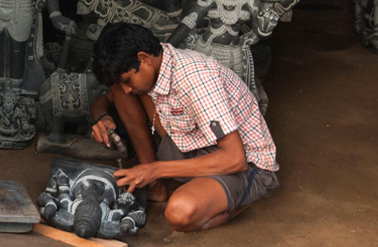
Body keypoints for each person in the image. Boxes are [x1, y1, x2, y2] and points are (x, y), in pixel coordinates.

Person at [89, 22, 279, 232]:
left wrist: (155, 170)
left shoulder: (196, 79)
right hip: (191, 143)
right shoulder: (153, 67)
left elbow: (236, 159)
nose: (127, 89)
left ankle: (240, 201)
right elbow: (105, 99)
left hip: (242, 165)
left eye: (127, 80)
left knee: (180, 213)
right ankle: (156, 188)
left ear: (144, 58)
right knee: (121, 92)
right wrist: (103, 117)